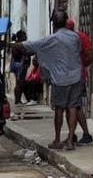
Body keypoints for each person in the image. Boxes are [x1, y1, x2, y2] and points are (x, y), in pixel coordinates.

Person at [14, 10, 84, 151]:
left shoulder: (51, 40)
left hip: (60, 79)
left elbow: (28, 46)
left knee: (59, 109)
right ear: (66, 21)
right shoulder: (75, 37)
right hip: (76, 77)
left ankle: (57, 140)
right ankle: (70, 140)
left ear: (53, 23)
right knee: (73, 108)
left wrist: (11, 45)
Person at [67, 19, 93, 144]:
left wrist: (80, 67)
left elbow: (90, 56)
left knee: (75, 107)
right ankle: (73, 135)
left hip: (75, 77)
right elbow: (90, 56)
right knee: (73, 107)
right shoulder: (82, 37)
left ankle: (84, 134)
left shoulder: (76, 38)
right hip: (74, 76)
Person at [10, 30, 30, 105]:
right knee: (19, 83)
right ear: (21, 37)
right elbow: (25, 53)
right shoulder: (20, 45)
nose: (26, 37)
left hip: (16, 65)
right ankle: (17, 100)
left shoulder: (16, 44)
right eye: (25, 36)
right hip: (20, 65)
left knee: (19, 83)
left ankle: (19, 99)